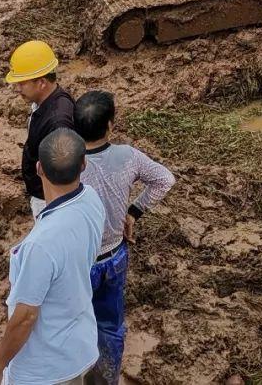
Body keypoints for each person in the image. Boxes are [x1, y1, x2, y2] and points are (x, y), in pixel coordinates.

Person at [0, 127, 103, 385]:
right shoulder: (92, 200)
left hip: (47, 370)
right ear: (84, 163)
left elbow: (25, 317)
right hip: (80, 346)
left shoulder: (40, 244)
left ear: (39, 169)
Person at [76, 90, 175, 385]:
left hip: (81, 262)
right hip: (115, 256)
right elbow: (165, 180)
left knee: (75, 319)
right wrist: (133, 211)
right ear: (110, 126)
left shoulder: (70, 166)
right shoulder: (128, 156)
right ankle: (106, 379)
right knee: (110, 324)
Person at [4, 39, 77, 218]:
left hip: (48, 199)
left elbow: (61, 175)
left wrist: (52, 208)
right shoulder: (43, 103)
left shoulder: (58, 123)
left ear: (42, 83)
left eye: (22, 83)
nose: (17, 88)